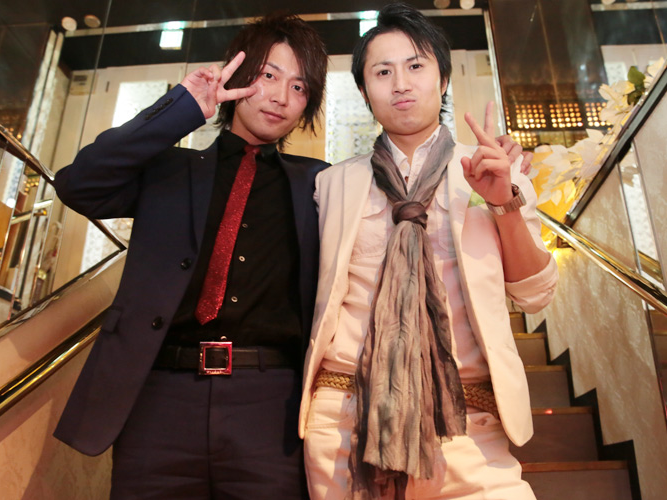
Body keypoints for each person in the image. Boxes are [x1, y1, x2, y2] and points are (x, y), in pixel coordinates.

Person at [53, 13, 328, 499]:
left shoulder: (320, 184)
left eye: (299, 87)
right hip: (159, 398)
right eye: (269, 76)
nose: (281, 97)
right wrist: (182, 108)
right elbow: (79, 184)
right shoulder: (170, 170)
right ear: (238, 74)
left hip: (272, 407)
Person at [299, 3, 559, 500]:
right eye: (382, 72)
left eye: (416, 66)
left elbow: (535, 294)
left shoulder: (492, 169)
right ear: (363, 91)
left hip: (466, 422)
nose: (401, 83)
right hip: (345, 419)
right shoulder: (332, 184)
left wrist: (504, 202)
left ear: (442, 80)